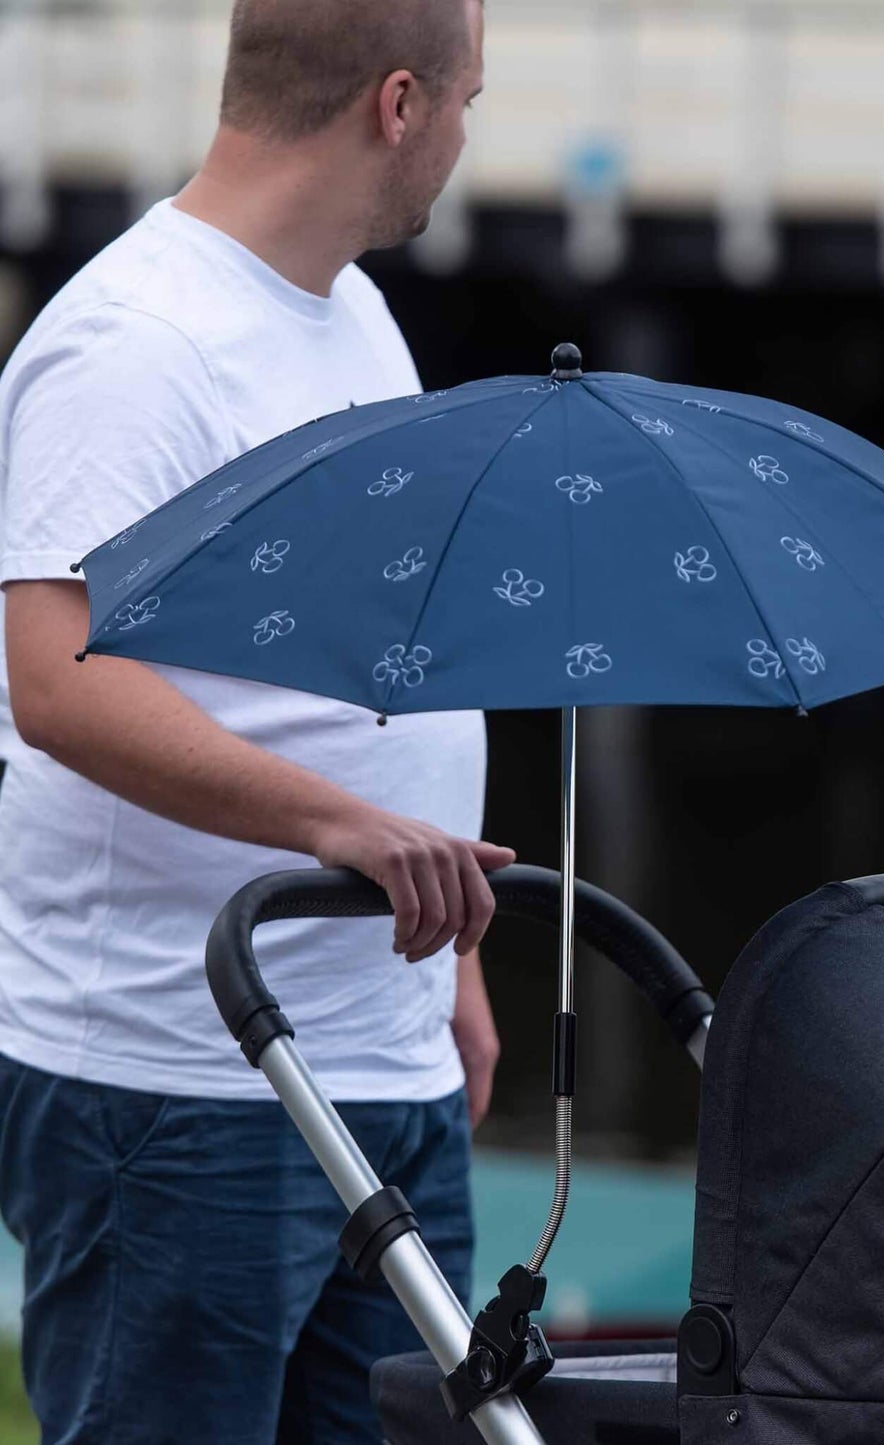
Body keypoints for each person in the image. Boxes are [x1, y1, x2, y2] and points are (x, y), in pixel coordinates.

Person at [0, 2, 503, 1440]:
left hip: (379, 1049)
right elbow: (57, 677)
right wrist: (343, 826)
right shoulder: (133, 342)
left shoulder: (350, 313)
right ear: (397, 104)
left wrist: (449, 958)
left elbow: (376, 658)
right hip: (178, 1079)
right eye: (469, 100)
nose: (469, 138)